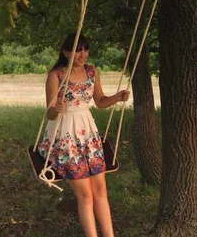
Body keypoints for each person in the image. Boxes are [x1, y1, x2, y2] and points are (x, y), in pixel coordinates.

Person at [38, 33, 130, 237]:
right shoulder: (56, 76)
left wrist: (117, 97)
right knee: (86, 194)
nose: (83, 54)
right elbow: (50, 113)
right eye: (78, 50)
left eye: (85, 49)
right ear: (66, 52)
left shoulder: (92, 72)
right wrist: (58, 108)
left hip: (88, 135)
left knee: (100, 190)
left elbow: (100, 101)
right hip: (66, 137)